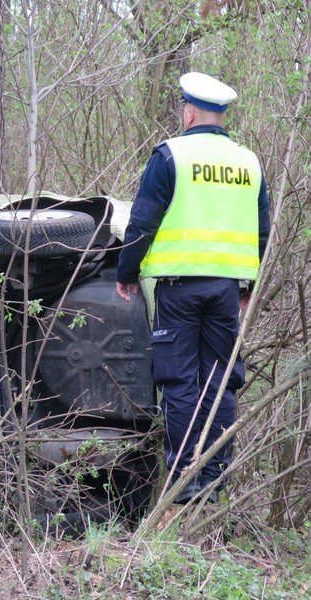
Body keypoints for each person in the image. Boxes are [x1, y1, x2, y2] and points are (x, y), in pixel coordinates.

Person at [116, 73, 270, 504]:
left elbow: (143, 222)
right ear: (221, 116)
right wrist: (247, 283)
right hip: (225, 290)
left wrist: (126, 271)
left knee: (180, 382)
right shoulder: (249, 162)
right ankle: (216, 483)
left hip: (179, 288)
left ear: (188, 111)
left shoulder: (171, 156)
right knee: (220, 382)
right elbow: (263, 232)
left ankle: (184, 484)